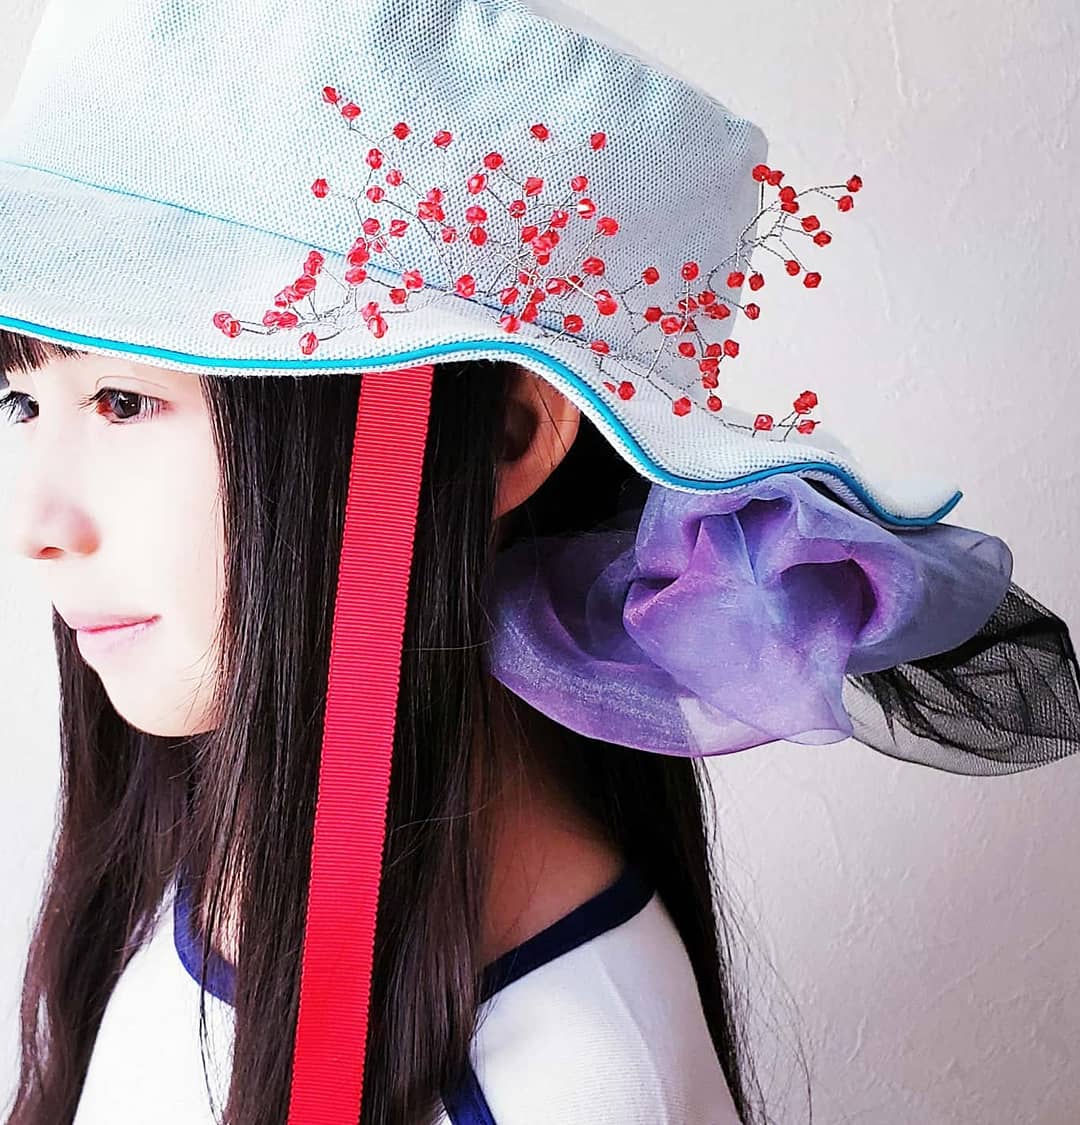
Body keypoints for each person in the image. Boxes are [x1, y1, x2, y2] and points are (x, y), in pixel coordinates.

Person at [1, 2, 1077, 1124]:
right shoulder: (194, 878)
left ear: (503, 441)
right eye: (20, 398)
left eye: (124, 400)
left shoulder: (558, 1087)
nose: (34, 523)